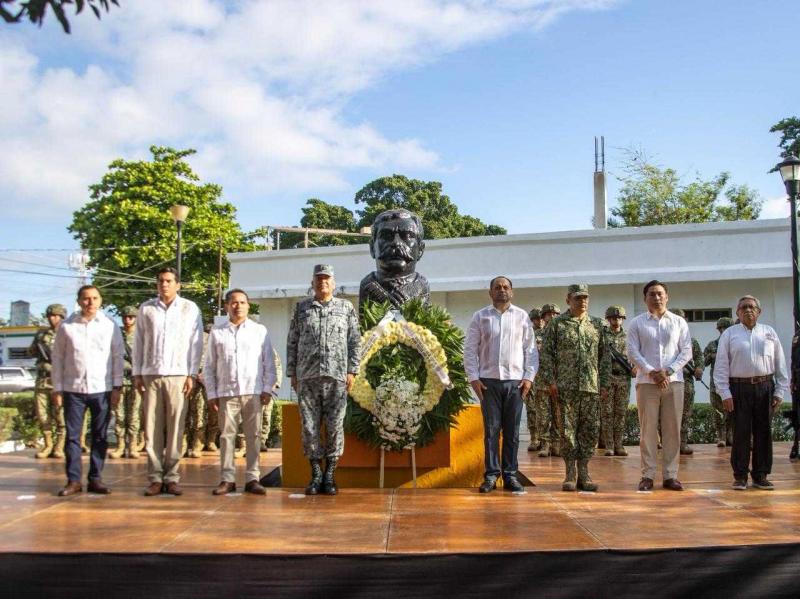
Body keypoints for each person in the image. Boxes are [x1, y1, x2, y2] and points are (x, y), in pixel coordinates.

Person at [287, 264, 361, 496]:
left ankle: (330, 475)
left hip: (336, 377)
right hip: (307, 377)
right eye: (318, 279)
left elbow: (354, 341)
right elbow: (292, 341)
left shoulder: (346, 308)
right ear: (313, 283)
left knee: (334, 427)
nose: (322, 283)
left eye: (327, 279)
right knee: (309, 428)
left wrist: (352, 370)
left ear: (334, 283)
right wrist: (292, 373)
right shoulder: (301, 308)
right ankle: (315, 473)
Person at [133, 267, 204, 496]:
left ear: (178, 285)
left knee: (176, 428)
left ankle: (171, 477)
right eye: (161, 281)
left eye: (169, 281)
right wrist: (137, 372)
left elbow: (196, 343)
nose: (164, 284)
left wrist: (192, 374)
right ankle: (155, 478)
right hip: (151, 374)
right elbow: (139, 342)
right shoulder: (146, 309)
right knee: (152, 428)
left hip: (178, 375)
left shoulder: (189, 308)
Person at [465, 276, 537, 493]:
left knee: (512, 433)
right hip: (488, 383)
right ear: (490, 292)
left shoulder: (522, 316)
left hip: (515, 384)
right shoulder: (480, 317)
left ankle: (511, 475)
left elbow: (531, 351)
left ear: (512, 292)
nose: (502, 290)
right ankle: (491, 475)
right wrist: (474, 378)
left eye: (506, 287)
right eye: (497, 287)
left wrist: (529, 378)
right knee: (491, 431)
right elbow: (470, 350)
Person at [51, 286, 123, 496]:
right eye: (85, 298)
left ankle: (95, 478)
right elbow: (58, 359)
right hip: (73, 389)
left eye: (94, 298)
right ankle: (73, 480)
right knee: (72, 437)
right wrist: (57, 388)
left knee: (100, 436)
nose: (90, 302)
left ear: (100, 300)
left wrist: (117, 387)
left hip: (102, 389)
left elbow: (117, 357)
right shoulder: (67, 326)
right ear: (79, 301)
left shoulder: (109, 326)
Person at [205, 289, 277, 496]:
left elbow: (269, 364)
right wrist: (211, 393)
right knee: (227, 437)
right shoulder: (217, 333)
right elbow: (209, 367)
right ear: (227, 306)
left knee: (253, 437)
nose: (238, 306)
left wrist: (266, 389)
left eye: (243, 302)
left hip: (252, 392)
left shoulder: (259, 331)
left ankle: (252, 478)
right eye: (234, 303)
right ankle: (227, 479)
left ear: (248, 305)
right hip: (226, 392)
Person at [714, 296, 789, 490]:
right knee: (741, 433)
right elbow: (721, 366)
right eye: (744, 307)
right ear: (737, 312)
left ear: (759, 311)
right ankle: (740, 476)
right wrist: (725, 393)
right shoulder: (729, 334)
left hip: (765, 388)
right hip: (739, 389)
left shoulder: (769, 333)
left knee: (763, 432)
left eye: (752, 307)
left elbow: (780, 363)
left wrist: (780, 391)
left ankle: (761, 475)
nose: (748, 310)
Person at [540, 284, 609, 492]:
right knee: (568, 432)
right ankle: (570, 473)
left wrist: (604, 384)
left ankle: (585, 473)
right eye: (578, 298)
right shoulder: (557, 325)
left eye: (585, 298)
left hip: (590, 387)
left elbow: (604, 356)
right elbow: (546, 355)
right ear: (568, 300)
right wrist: (550, 381)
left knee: (589, 430)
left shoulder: (597, 325)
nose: (583, 301)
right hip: (565, 387)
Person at [626, 280, 692, 492]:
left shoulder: (679, 322)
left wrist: (668, 371)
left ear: (667, 297)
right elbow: (632, 352)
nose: (657, 297)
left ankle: (671, 475)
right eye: (652, 294)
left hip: (673, 382)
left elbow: (686, 351)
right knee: (647, 431)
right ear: (645, 298)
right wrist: (652, 372)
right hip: (647, 383)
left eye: (660, 294)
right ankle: (647, 475)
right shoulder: (637, 323)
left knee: (672, 430)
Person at [358, 209, 430, 310]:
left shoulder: (421, 285)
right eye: (386, 236)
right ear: (372, 248)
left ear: (420, 249)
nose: (396, 243)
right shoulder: (368, 285)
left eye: (407, 236)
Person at [28, 303, 67, 459]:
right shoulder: (41, 334)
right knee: (43, 415)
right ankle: (48, 445)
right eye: (50, 315)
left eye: (56, 315)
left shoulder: (67, 333)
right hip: (43, 380)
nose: (53, 318)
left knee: (60, 414)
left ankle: (59, 446)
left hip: (60, 380)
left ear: (62, 317)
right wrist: (37, 347)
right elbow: (30, 351)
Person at [108, 305, 142, 459]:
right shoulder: (116, 336)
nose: (128, 320)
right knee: (119, 415)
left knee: (134, 415)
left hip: (135, 380)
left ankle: (133, 446)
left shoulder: (141, 336)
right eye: (125, 317)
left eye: (131, 317)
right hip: (119, 381)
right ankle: (120, 445)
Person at [670, 309, 704, 455]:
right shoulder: (664, 339)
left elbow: (700, 358)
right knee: (666, 415)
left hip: (686, 381)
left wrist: (699, 368)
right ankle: (668, 444)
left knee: (685, 413)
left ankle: (682, 443)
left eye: (681, 318)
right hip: (669, 380)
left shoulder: (691, 341)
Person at [603, 306, 633, 456]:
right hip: (607, 378)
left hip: (623, 378)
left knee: (620, 412)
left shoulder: (629, 336)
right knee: (607, 412)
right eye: (614, 318)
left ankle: (619, 445)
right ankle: (609, 445)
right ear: (608, 319)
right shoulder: (602, 336)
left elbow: (635, 354)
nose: (617, 320)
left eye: (619, 318)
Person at [704, 317, 735, 447]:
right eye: (721, 328)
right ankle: (721, 436)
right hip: (716, 384)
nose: (723, 330)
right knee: (718, 411)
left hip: (733, 383)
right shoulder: (712, 345)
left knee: (733, 411)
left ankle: (731, 435)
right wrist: (711, 356)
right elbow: (703, 362)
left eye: (726, 328)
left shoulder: (735, 343)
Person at [539, 303, 562, 457]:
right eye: (549, 314)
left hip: (560, 380)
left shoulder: (564, 334)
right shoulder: (536, 335)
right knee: (543, 414)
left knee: (558, 414)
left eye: (555, 314)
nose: (552, 316)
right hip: (541, 381)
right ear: (544, 317)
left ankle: (557, 444)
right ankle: (545, 444)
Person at [524, 307, 543, 451]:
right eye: (536, 318)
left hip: (545, 376)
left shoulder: (550, 333)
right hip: (531, 376)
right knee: (531, 408)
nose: (540, 321)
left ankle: (546, 439)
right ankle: (534, 438)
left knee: (545, 410)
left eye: (541, 318)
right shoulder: (527, 334)